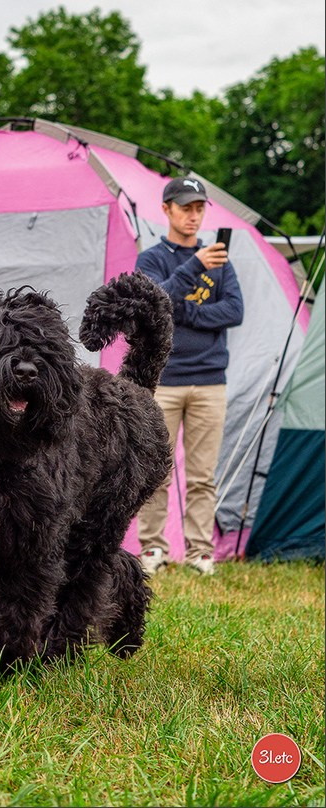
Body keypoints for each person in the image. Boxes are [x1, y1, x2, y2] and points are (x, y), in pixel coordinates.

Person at [135, 177, 244, 577]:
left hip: (210, 381)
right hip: (164, 380)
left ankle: (201, 551)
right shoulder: (152, 259)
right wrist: (194, 268)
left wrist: (187, 314)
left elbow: (234, 311)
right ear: (166, 210)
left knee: (202, 475)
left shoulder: (220, 259)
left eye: (199, 208)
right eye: (186, 208)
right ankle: (153, 549)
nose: (194, 216)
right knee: (155, 471)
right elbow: (152, 304)